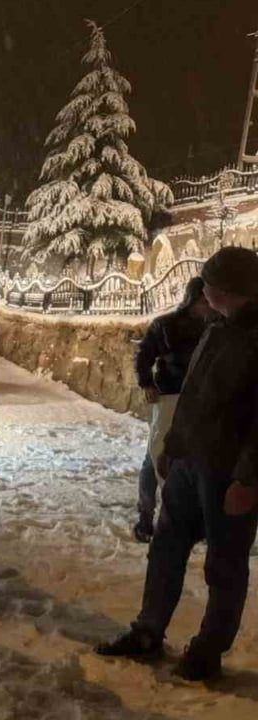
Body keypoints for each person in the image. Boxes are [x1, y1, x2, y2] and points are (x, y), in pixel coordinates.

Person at [97, 246, 258, 681]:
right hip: (189, 460)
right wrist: (171, 444)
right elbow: (190, 395)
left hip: (228, 472)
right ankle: (149, 630)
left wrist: (248, 478)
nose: (203, 290)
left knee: (224, 563)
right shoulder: (216, 328)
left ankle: (208, 649)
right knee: (165, 547)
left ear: (235, 290)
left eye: (211, 284)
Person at [131, 277, 213, 543]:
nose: (206, 307)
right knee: (156, 454)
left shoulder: (215, 327)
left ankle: (187, 516)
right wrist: (146, 382)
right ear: (191, 300)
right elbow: (143, 354)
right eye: (202, 302)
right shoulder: (166, 325)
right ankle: (146, 515)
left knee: (193, 457)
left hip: (199, 399)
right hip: (169, 396)